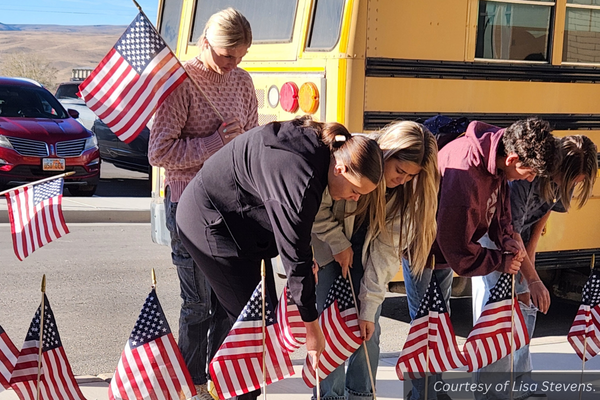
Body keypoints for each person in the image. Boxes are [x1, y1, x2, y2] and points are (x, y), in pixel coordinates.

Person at [176, 116, 384, 400]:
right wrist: (313, 330)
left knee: (264, 322)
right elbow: (294, 256)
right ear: (340, 168)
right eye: (355, 191)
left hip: (245, 226)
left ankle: (224, 390)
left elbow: (296, 244)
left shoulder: (320, 153)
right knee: (254, 330)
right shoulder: (302, 179)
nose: (354, 199)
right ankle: (232, 393)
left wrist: (305, 261)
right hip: (210, 222)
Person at [147, 8, 257, 398]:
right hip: (189, 204)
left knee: (231, 303)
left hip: (232, 206)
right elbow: (158, 152)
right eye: (229, 55)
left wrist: (245, 141)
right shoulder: (181, 82)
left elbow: (252, 141)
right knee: (198, 303)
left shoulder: (242, 83)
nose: (234, 63)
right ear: (206, 41)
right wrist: (214, 144)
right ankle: (190, 385)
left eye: (241, 56)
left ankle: (220, 381)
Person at [420, 117, 557, 400]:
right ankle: (423, 394)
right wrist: (499, 261)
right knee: (426, 328)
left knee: (439, 325)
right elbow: (457, 246)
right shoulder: (467, 170)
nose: (530, 179)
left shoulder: (496, 158)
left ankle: (432, 391)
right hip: (426, 250)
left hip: (443, 253)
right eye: (529, 171)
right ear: (514, 158)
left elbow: (501, 211)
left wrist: (508, 241)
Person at [311, 121, 440, 400]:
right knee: (331, 326)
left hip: (367, 257)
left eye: (410, 176)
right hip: (328, 250)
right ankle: (327, 395)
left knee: (368, 329)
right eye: (399, 171)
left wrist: (369, 307)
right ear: (386, 153)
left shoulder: (407, 194)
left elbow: (386, 252)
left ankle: (360, 394)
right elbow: (316, 207)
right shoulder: (356, 155)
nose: (402, 180)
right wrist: (338, 242)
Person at [470, 135, 597, 400]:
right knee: (499, 312)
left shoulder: (570, 174)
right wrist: (532, 278)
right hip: (495, 240)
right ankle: (490, 390)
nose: (576, 184)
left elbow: (538, 221)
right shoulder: (528, 176)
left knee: (527, 307)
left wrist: (530, 275)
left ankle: (521, 377)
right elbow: (511, 230)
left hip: (520, 238)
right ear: (558, 167)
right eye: (573, 179)